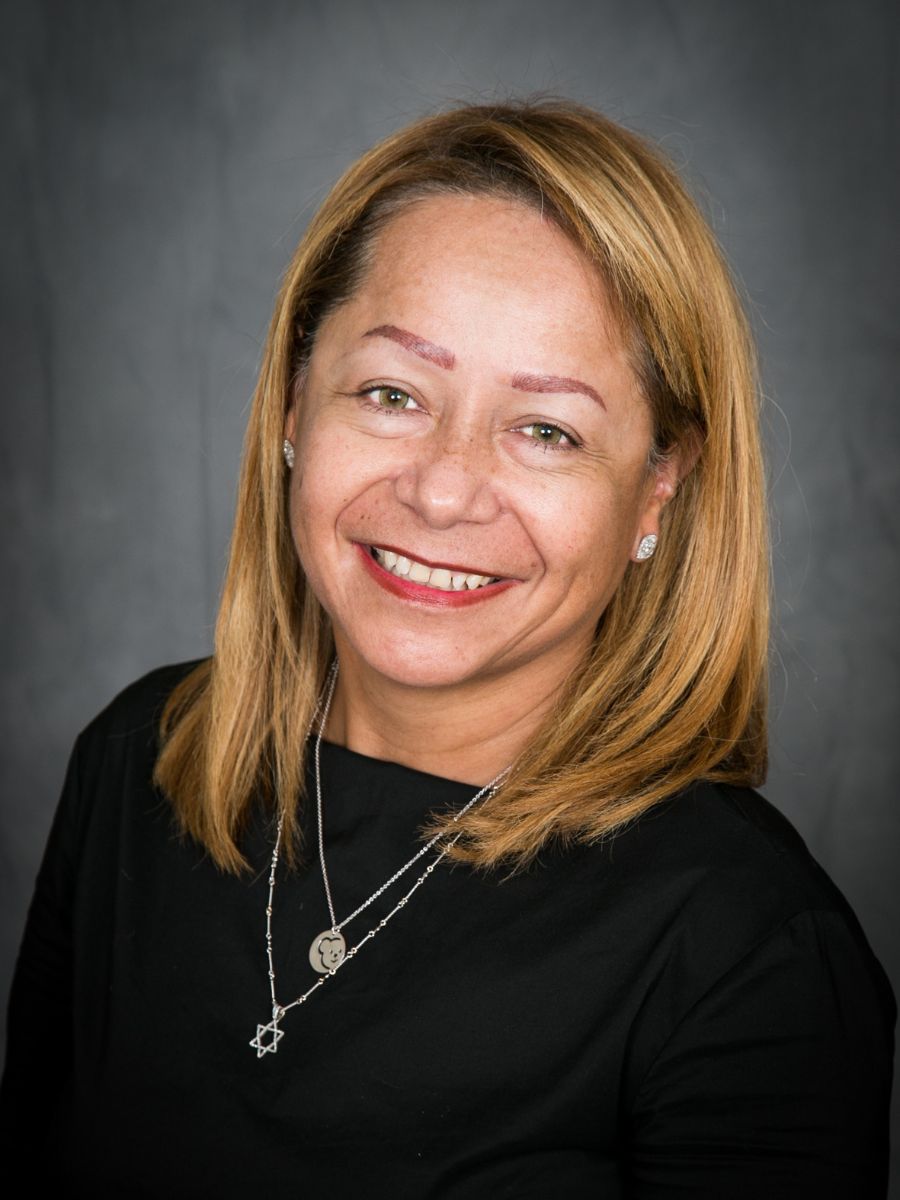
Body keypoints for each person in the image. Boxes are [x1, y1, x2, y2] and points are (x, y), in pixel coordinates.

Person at [1, 100, 893, 1197]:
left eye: (547, 430)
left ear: (659, 488)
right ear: (292, 407)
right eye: (392, 393)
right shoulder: (137, 760)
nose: (442, 485)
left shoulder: (750, 950)